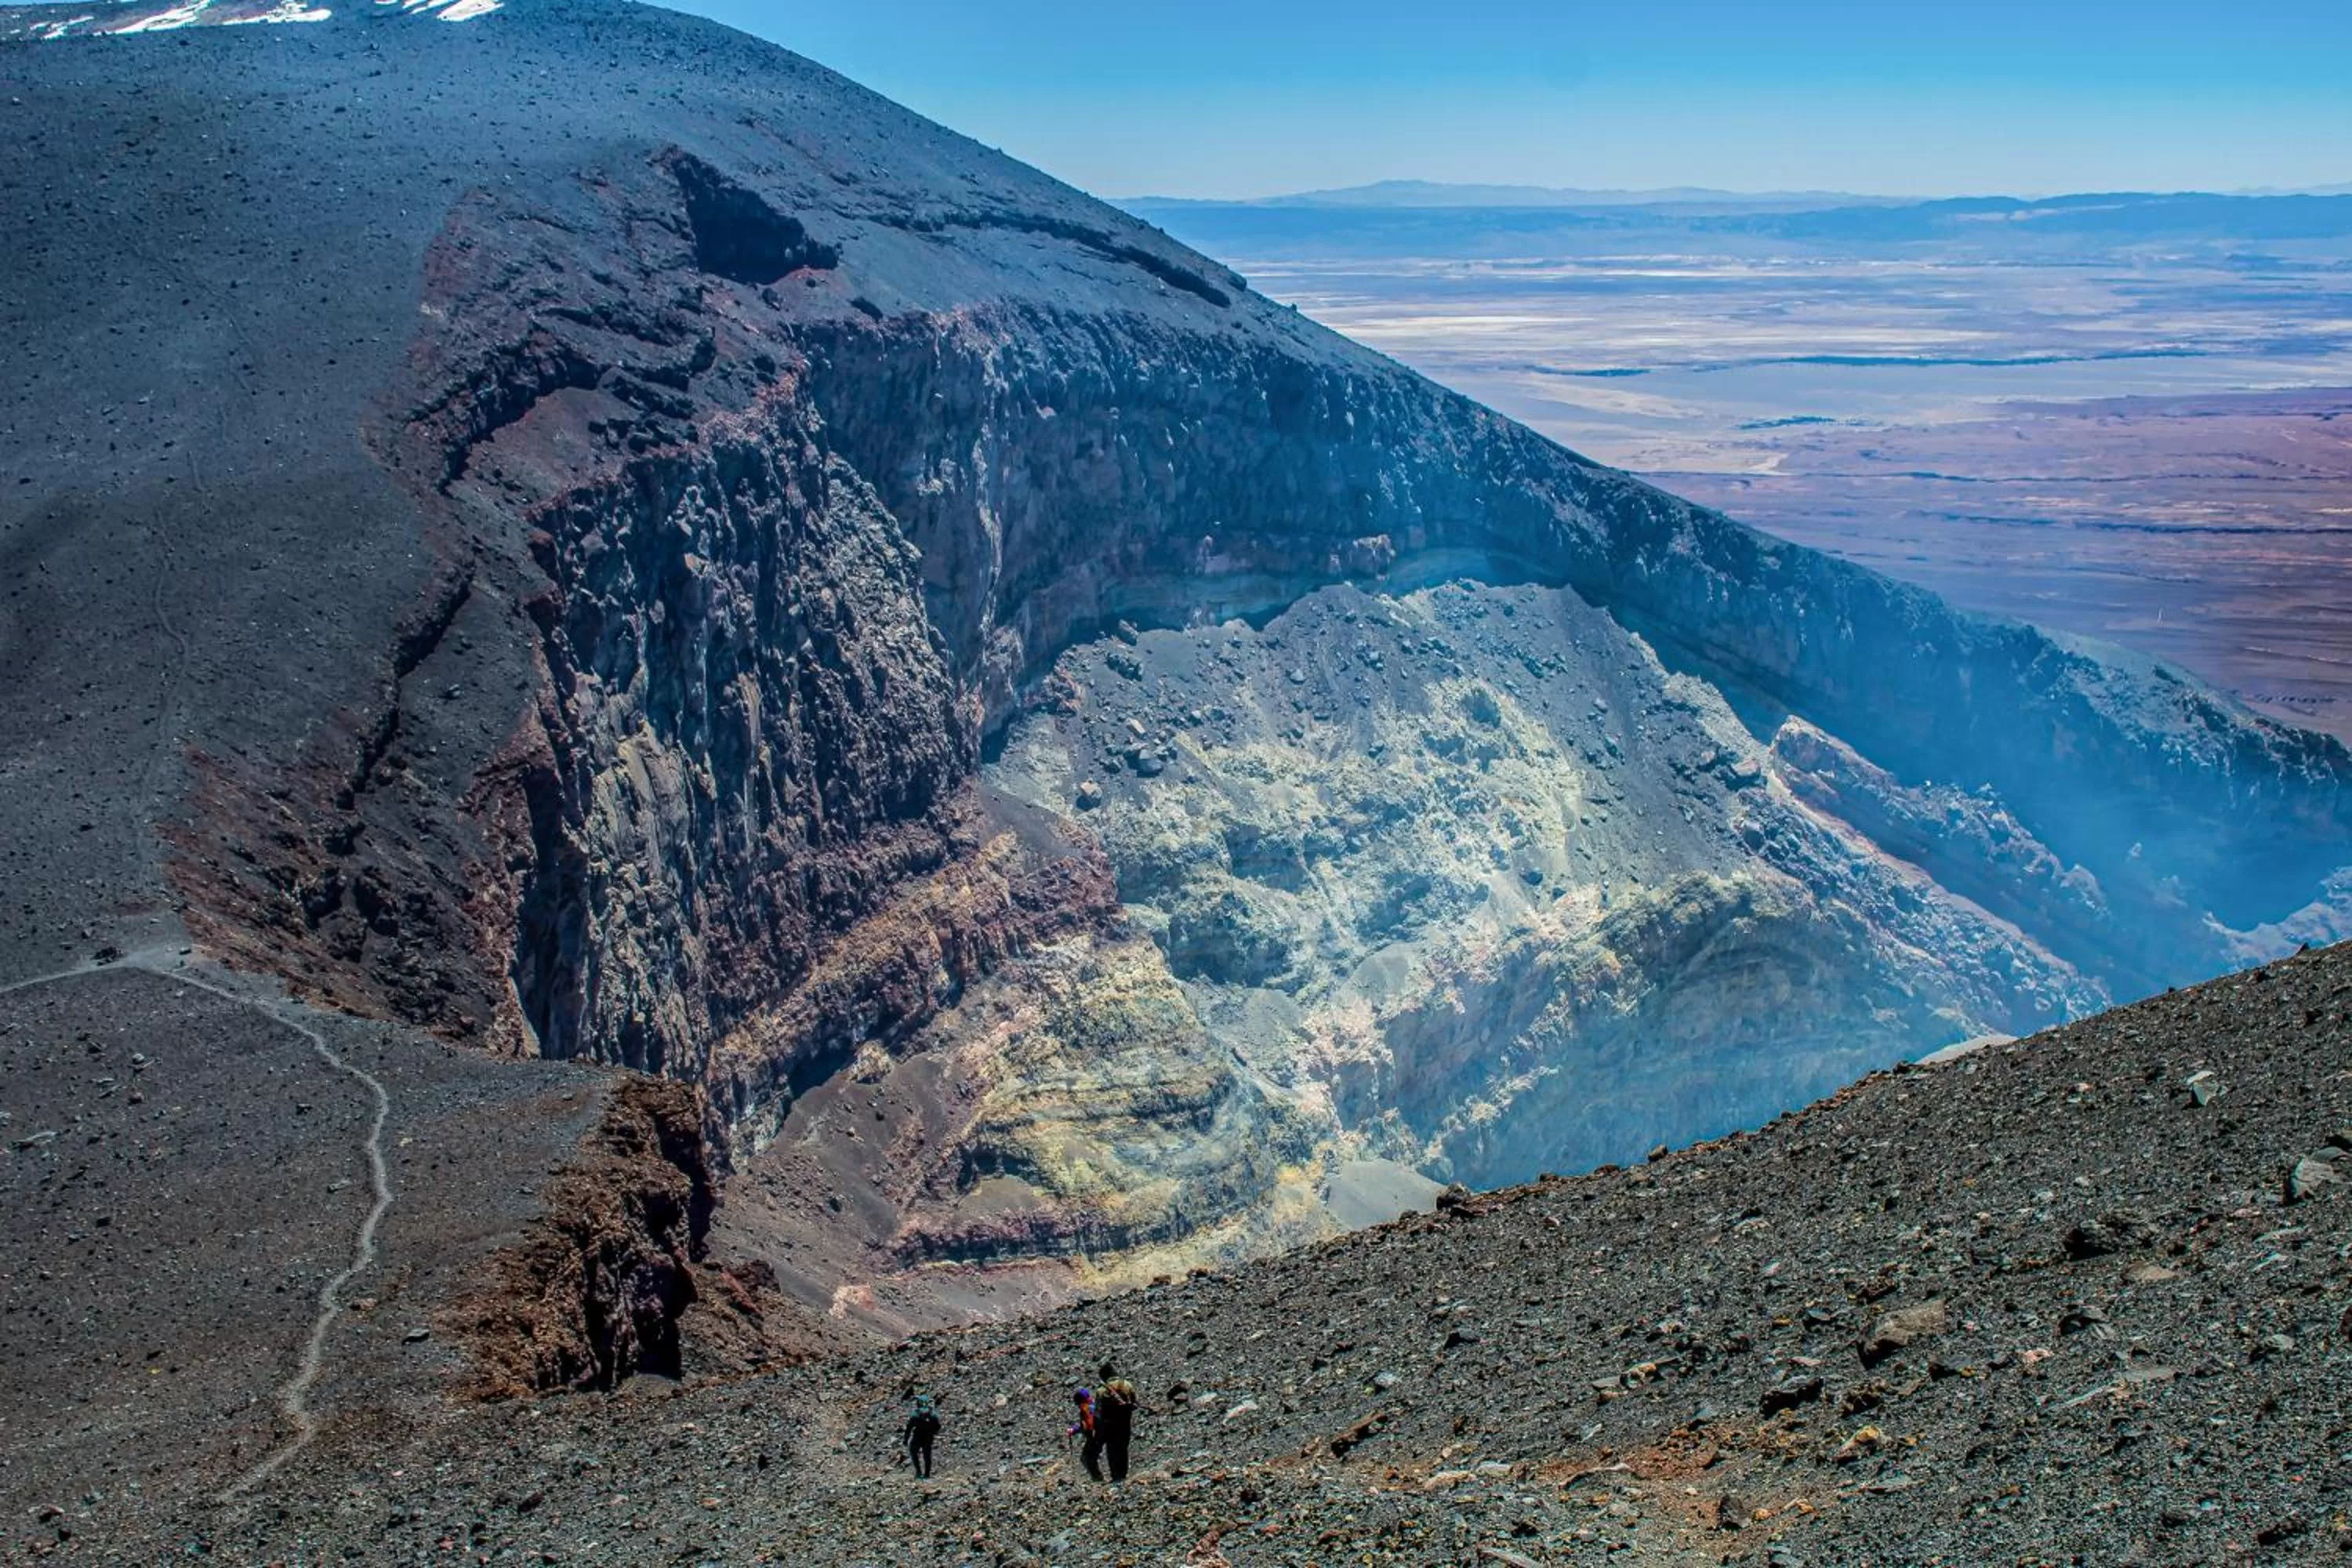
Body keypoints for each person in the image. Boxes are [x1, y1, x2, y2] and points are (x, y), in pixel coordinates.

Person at [1094, 1363, 1139, 1483]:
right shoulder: (1126, 1384)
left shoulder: (1102, 1390)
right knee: (1123, 1447)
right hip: (1125, 1422)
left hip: (1109, 1425)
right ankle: (1123, 1475)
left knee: (1112, 1449)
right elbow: (1135, 1402)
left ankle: (1116, 1476)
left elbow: (1098, 1411)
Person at [1069, 1386, 1103, 1482]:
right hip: (1100, 1435)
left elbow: (1087, 1426)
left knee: (1087, 1458)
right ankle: (1097, 1477)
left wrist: (1075, 1430)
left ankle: (1097, 1478)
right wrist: (1075, 1430)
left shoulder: (1087, 1409)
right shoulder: (1095, 1405)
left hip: (1095, 1437)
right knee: (1090, 1457)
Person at [904, 1393, 942, 1479]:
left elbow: (909, 1428)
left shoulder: (915, 1414)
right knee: (927, 1455)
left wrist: (906, 1439)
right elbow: (938, 1426)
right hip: (928, 1437)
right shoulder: (932, 1414)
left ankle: (919, 1472)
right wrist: (933, 1433)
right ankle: (927, 1474)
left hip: (917, 1436)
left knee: (913, 1451)